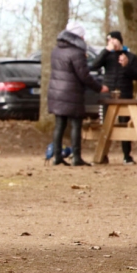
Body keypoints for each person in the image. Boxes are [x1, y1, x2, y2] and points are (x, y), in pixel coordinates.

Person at [47, 21, 108, 166]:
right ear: (78, 37)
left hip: (56, 92)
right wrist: (99, 88)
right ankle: (76, 157)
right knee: (76, 124)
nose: (83, 39)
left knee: (59, 124)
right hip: (72, 93)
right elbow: (84, 75)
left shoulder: (56, 50)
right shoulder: (77, 52)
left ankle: (57, 156)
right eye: (82, 36)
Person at [90, 31, 137, 164]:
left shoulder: (130, 56)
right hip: (108, 95)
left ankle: (126, 155)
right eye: (110, 41)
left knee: (125, 125)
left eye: (114, 40)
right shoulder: (106, 56)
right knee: (106, 125)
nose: (112, 43)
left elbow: (136, 76)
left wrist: (126, 66)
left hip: (125, 95)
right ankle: (103, 154)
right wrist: (106, 50)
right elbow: (94, 65)